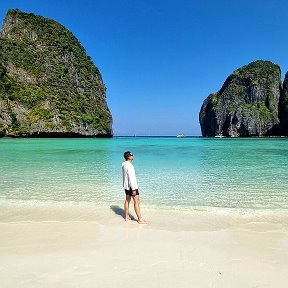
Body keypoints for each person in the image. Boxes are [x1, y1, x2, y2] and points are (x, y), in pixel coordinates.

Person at [122, 151, 147, 224]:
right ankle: (140, 219)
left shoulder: (124, 164)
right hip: (131, 186)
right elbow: (131, 177)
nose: (133, 155)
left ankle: (126, 216)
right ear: (129, 157)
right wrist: (134, 189)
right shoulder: (129, 165)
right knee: (137, 202)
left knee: (127, 200)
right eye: (132, 155)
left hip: (126, 186)